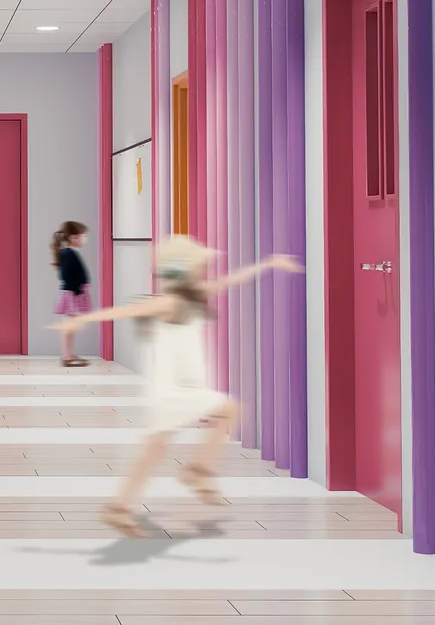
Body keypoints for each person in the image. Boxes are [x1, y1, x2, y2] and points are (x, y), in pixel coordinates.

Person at [51, 234, 302, 537]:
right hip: (174, 390)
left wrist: (268, 263)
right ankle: (197, 471)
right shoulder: (169, 302)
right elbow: (126, 311)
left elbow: (232, 280)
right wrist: (81, 321)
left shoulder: (193, 296)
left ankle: (120, 508)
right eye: (199, 266)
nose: (204, 271)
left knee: (154, 451)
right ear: (183, 272)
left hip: (178, 387)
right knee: (229, 409)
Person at [51, 221, 93, 367]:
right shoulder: (69, 254)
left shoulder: (69, 253)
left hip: (73, 293)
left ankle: (68, 354)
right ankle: (67, 356)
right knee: (69, 326)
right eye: (83, 236)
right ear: (74, 237)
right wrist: (78, 290)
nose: (85, 239)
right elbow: (67, 275)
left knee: (71, 326)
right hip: (72, 294)